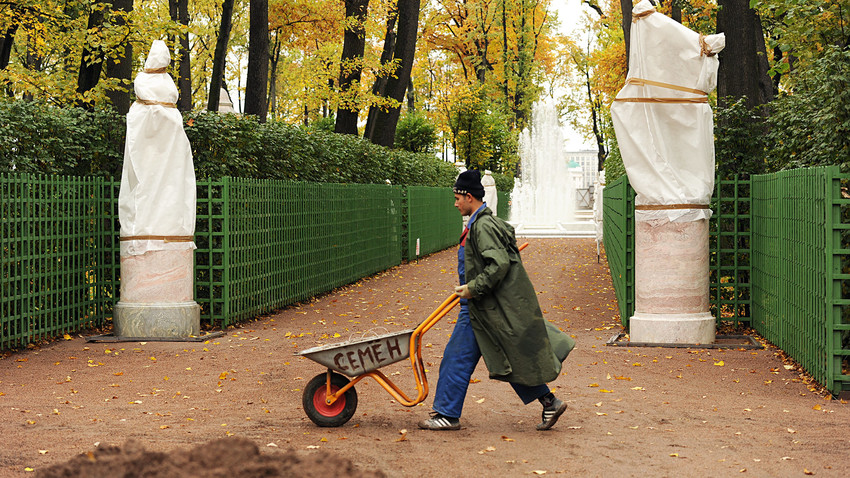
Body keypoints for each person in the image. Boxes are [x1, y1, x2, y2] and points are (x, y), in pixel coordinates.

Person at [419, 169, 575, 431]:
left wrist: (472, 288)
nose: (455, 203)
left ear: (469, 197)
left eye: (457, 198)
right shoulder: (483, 223)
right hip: (483, 305)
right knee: (511, 357)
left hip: (479, 307)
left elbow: (499, 264)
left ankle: (446, 414)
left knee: (456, 358)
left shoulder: (482, 226)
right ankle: (549, 402)